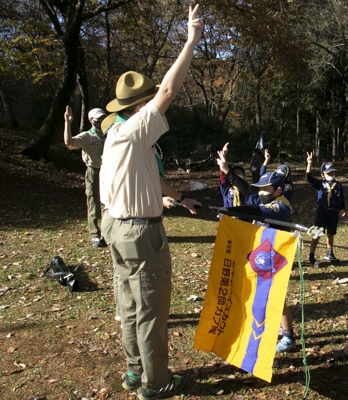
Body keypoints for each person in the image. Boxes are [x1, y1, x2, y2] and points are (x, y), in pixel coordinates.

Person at [99, 5, 203, 399]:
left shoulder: (116, 137)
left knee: (128, 305)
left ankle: (133, 372)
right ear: (139, 107)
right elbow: (168, 90)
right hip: (142, 236)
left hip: (116, 228)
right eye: (148, 103)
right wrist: (191, 38)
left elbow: (151, 178)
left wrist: (181, 197)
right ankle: (155, 384)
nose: (153, 106)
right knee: (151, 314)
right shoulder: (135, 131)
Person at [218, 166, 296, 352]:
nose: (261, 192)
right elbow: (246, 190)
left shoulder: (281, 206)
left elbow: (253, 209)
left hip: (275, 260)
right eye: (260, 188)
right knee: (258, 296)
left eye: (265, 189)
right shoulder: (265, 199)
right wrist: (227, 171)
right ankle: (265, 328)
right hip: (260, 257)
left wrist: (230, 211)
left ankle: (288, 337)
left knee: (276, 299)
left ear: (278, 190)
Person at [64, 106, 108, 248]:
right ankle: (95, 235)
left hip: (108, 172)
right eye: (98, 120)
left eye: (103, 119)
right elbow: (69, 142)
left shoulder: (108, 134)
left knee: (108, 202)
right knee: (93, 202)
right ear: (91, 120)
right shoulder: (87, 137)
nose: (101, 122)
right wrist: (68, 123)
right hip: (93, 171)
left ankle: (107, 233)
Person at [306, 153, 346, 264]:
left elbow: (341, 199)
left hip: (334, 213)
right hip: (322, 211)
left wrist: (342, 209)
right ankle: (311, 255)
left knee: (331, 233)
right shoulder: (320, 184)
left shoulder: (338, 185)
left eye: (333, 172)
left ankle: (329, 253)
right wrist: (309, 164)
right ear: (323, 174)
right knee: (317, 233)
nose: (331, 174)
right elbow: (308, 178)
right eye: (329, 172)